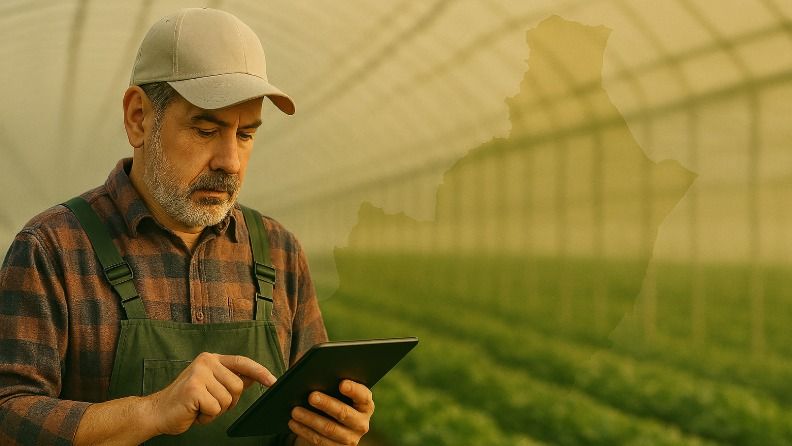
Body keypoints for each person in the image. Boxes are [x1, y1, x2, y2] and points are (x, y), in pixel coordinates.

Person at [0, 8, 374, 446]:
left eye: (246, 134)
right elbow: (8, 413)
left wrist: (326, 430)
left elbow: (298, 414)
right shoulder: (53, 249)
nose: (230, 162)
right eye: (204, 129)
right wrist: (152, 411)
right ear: (139, 116)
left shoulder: (279, 252)